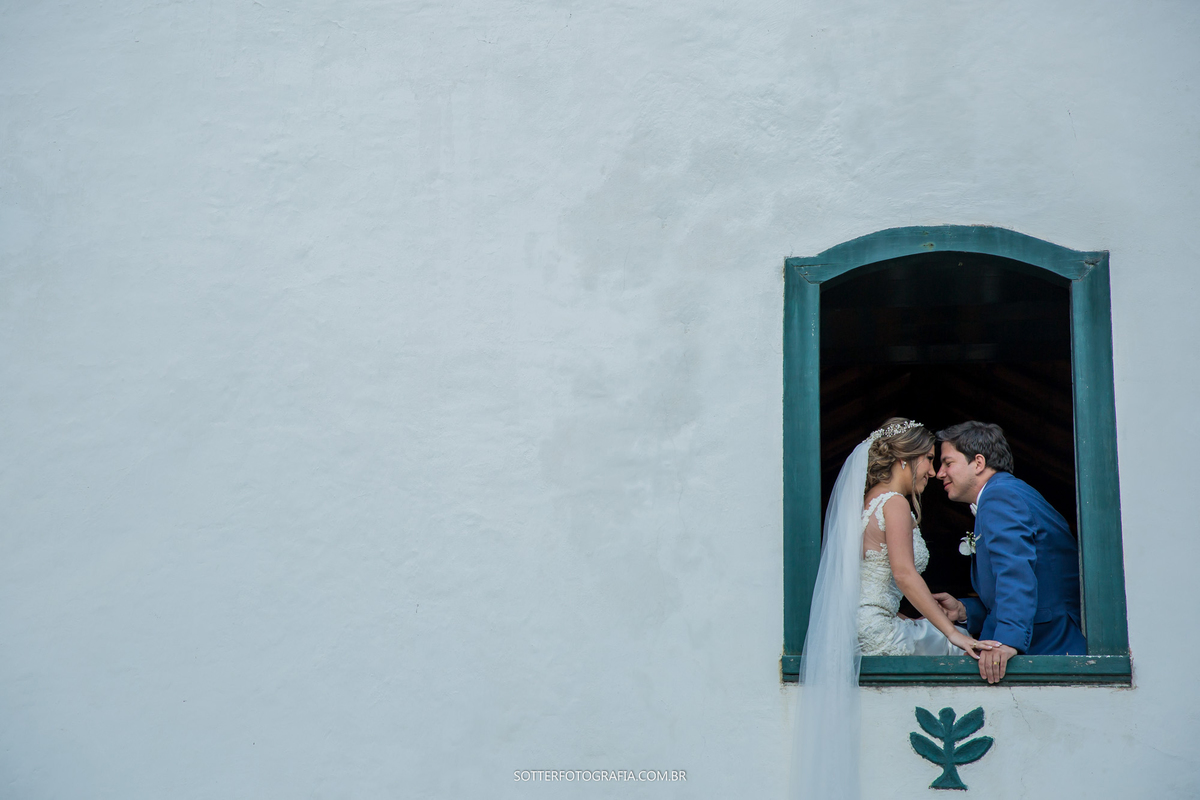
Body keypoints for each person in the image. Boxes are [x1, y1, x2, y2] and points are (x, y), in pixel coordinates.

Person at [790, 418, 993, 800]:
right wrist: (951, 632)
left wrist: (903, 616)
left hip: (863, 625)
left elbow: (868, 582)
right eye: (928, 459)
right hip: (876, 631)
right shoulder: (895, 503)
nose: (932, 471)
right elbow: (903, 574)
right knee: (963, 645)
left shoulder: (867, 504)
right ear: (905, 460)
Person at [931, 421, 1087, 685]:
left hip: (1048, 643)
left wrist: (1006, 641)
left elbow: (1015, 571)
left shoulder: (1000, 496)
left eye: (947, 463)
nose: (939, 473)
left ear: (978, 463)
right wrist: (965, 611)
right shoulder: (1008, 492)